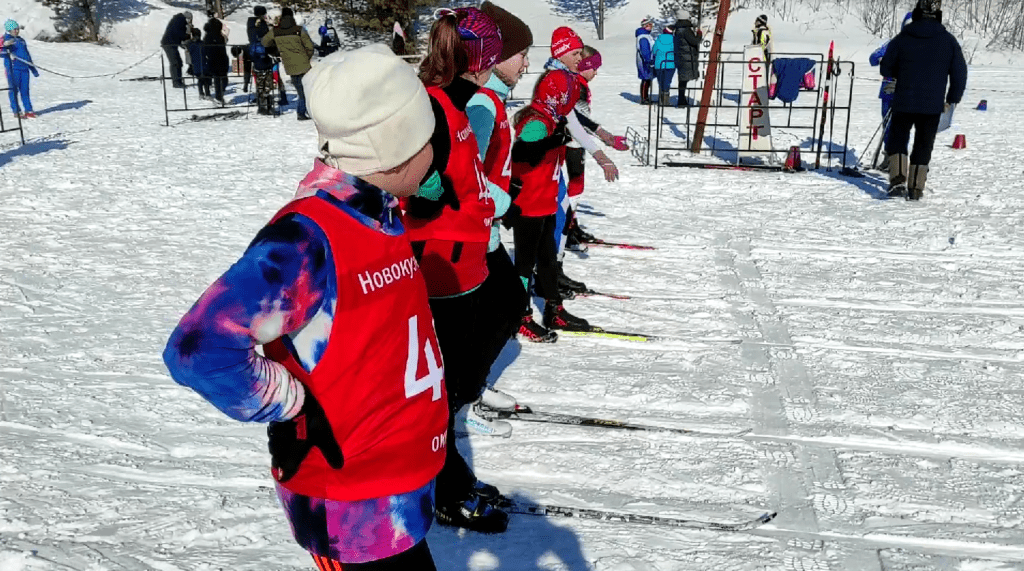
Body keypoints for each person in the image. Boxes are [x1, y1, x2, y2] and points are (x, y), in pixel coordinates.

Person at [163, 44, 447, 570]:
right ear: (397, 145)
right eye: (430, 135)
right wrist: (290, 402)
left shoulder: (378, 212)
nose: (440, 147)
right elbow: (196, 349)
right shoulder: (308, 238)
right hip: (351, 504)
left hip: (401, 481)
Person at [402, 6, 510, 533]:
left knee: (453, 381)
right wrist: (434, 194)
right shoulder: (433, 105)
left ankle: (446, 473)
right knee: (438, 391)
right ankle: (442, 488)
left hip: (462, 264)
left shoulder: (452, 102)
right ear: (481, 59)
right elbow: (415, 183)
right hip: (439, 268)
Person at [464, 0, 536, 413]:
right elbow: (465, 171)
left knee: (503, 307)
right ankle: (462, 394)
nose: (527, 64)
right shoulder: (483, 102)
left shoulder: (495, 98)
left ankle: (471, 385)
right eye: (522, 55)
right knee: (503, 307)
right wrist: (505, 200)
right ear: (498, 54)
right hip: (476, 227)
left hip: (485, 224)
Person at [511, 68, 594, 336]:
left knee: (547, 261)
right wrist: (554, 139)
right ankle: (520, 315)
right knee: (524, 264)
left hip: (544, 204)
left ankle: (553, 309)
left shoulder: (549, 116)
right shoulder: (537, 120)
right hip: (529, 206)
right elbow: (522, 153)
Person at [880, 0, 966, 200]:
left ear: (917, 13)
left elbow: (886, 67)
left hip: (904, 100)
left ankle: (897, 181)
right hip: (932, 104)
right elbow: (960, 73)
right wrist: (953, 98)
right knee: (924, 143)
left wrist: (897, 73)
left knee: (898, 139)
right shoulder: (948, 40)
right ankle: (916, 187)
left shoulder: (902, 38)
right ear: (939, 15)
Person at [869, 11, 914, 170]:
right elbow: (873, 58)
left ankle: (899, 160)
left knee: (902, 126)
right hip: (888, 90)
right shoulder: (893, 43)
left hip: (908, 92)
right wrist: (882, 59)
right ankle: (888, 157)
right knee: (887, 125)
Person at [262, 7, 314, 120]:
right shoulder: (299, 30)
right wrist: (306, 58)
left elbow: (264, 42)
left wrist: (275, 50)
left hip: (289, 65)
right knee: (305, 90)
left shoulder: (276, 31)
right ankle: (302, 113)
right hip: (304, 64)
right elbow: (310, 47)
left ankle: (304, 111)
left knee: (300, 89)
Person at [1, 20, 38, 119]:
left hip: (24, 69)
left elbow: (27, 55)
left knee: (25, 90)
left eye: (17, 29)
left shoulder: (21, 40)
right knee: (13, 90)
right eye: (14, 29)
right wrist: (5, 47)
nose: (16, 31)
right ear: (9, 30)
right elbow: (2, 53)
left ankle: (28, 110)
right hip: (13, 69)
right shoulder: (5, 39)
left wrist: (33, 69)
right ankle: (16, 111)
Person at [248, 6, 275, 114]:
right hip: (265, 55)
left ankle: (262, 106)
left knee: (259, 83)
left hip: (255, 56)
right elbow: (268, 39)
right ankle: (267, 106)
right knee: (267, 83)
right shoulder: (262, 24)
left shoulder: (250, 23)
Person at [673, 8, 701, 107]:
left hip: (680, 56)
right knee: (684, 79)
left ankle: (682, 99)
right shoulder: (685, 30)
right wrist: (699, 35)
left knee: (682, 79)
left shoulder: (677, 29)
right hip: (687, 57)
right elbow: (693, 41)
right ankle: (681, 100)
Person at [161, 11, 193, 89]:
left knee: (178, 62)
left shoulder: (178, 19)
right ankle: (176, 82)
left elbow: (175, 34)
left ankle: (178, 81)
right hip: (169, 44)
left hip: (170, 43)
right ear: (187, 18)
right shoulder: (180, 21)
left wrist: (181, 43)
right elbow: (179, 33)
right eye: (190, 19)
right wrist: (186, 36)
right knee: (175, 62)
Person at [203, 18, 230, 104]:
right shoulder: (209, 36)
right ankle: (218, 96)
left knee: (223, 80)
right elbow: (206, 49)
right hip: (214, 60)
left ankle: (219, 95)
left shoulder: (219, 35)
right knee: (218, 79)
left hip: (221, 59)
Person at [652, 26, 675, 106]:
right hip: (670, 64)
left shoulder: (658, 39)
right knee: (667, 81)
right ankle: (666, 100)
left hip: (659, 63)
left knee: (661, 81)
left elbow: (654, 51)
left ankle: (661, 99)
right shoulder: (674, 40)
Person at [635, 17, 655, 104]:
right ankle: (644, 98)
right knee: (645, 78)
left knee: (648, 78)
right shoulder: (643, 37)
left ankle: (646, 97)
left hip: (647, 60)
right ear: (645, 26)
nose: (651, 26)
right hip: (644, 61)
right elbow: (645, 50)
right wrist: (649, 60)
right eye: (649, 25)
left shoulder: (647, 36)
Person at [186, 28, 209, 98]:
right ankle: (206, 93)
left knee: (201, 80)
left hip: (196, 65)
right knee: (205, 80)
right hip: (202, 64)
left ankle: (202, 93)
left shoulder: (190, 44)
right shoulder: (202, 44)